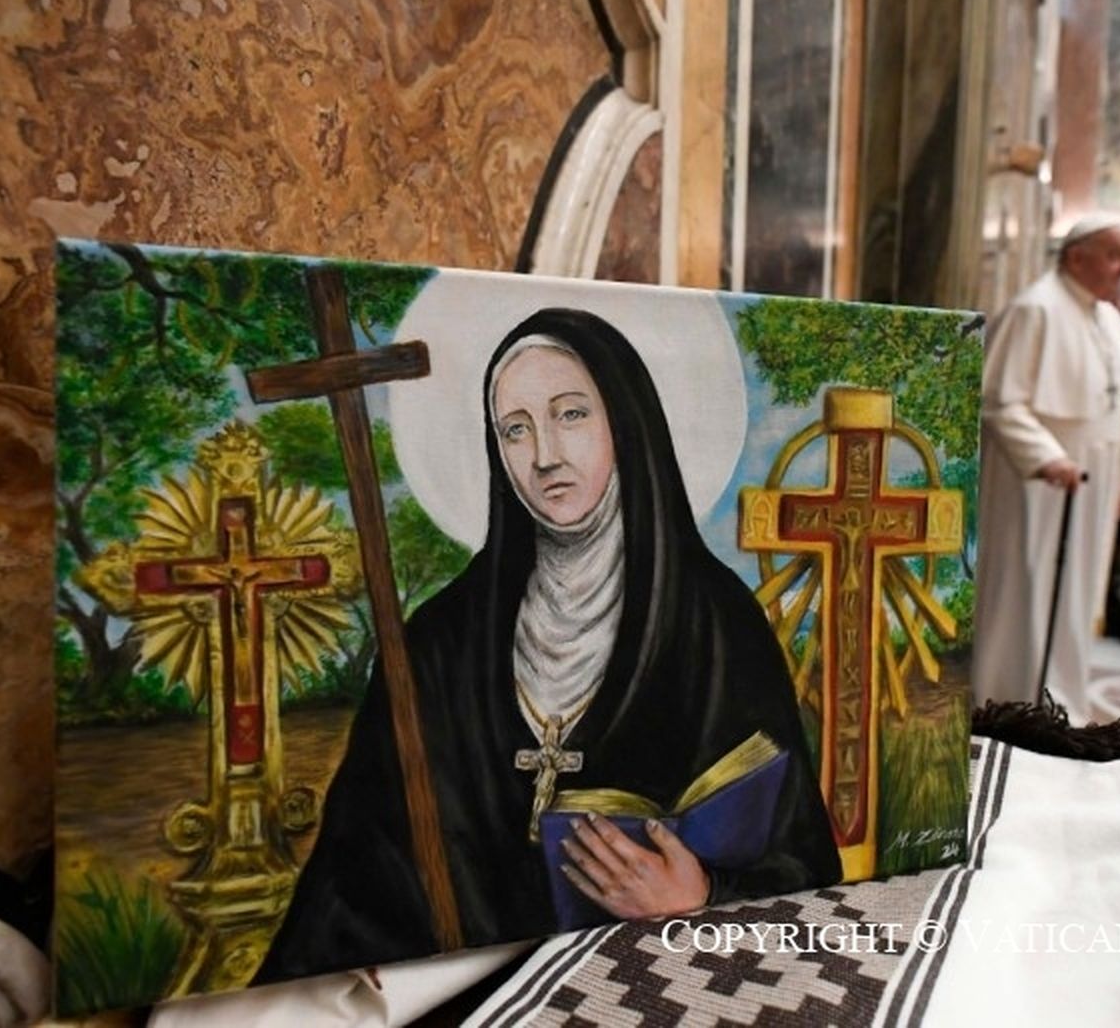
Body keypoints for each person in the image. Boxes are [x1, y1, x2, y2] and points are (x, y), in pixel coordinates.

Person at [257, 309, 840, 981]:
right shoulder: (439, 644)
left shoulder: (717, 624)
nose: (544, 456)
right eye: (515, 429)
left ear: (625, 422)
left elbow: (800, 865)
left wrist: (701, 899)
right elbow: (353, 879)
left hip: (651, 976)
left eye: (571, 415)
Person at [973, 215, 1120, 724]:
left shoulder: (1109, 318)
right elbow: (1000, 401)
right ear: (1076, 257)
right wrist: (1046, 457)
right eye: (1115, 255)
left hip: (1096, 479)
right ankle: (1009, 697)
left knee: (1080, 592)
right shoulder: (1034, 308)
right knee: (1031, 587)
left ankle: (1062, 697)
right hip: (1039, 482)